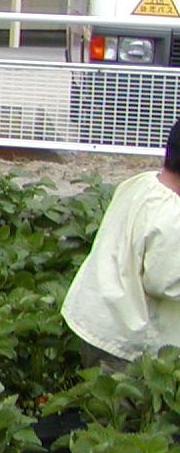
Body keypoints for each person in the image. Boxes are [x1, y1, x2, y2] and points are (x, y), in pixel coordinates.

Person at [62, 117, 180, 366]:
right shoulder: (173, 217)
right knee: (124, 390)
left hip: (99, 315)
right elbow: (165, 283)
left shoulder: (143, 183)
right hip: (128, 340)